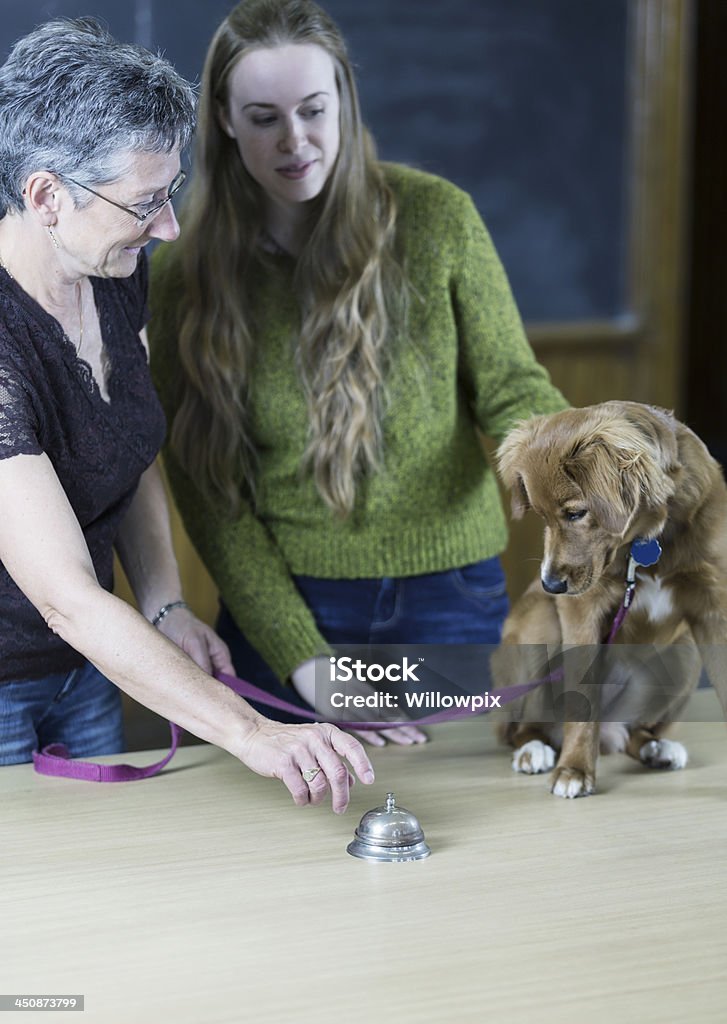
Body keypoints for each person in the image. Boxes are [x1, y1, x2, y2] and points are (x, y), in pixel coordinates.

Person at [148, 0, 568, 742]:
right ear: (222, 118)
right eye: (263, 117)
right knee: (292, 829)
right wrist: (309, 665)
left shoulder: (438, 219)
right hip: (289, 607)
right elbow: (213, 498)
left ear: (344, 98)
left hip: (448, 597)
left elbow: (511, 390)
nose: (295, 140)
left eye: (313, 109)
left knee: (468, 812)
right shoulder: (184, 273)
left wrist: (572, 478)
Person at [0, 16, 375, 813]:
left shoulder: (112, 267)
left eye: (171, 192)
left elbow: (128, 453)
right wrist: (251, 734)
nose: (168, 225)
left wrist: (165, 603)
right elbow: (65, 597)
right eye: (145, 202)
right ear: (46, 195)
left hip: (94, 668)